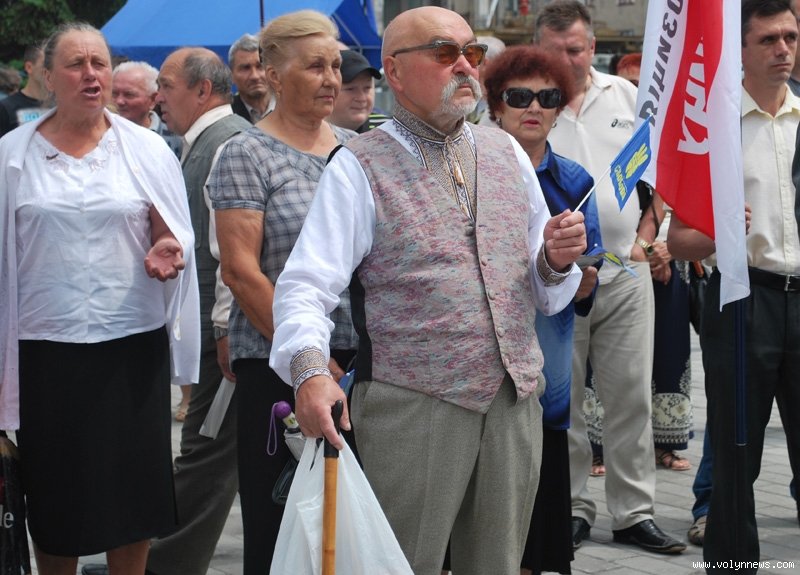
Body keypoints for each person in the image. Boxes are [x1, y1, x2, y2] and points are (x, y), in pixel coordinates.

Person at [269, 7, 587, 575]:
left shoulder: (506, 151)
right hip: (413, 406)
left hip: (513, 402)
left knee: (497, 564)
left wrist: (554, 260)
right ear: (394, 71)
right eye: (444, 53)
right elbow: (306, 284)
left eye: (473, 53)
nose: (465, 66)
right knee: (399, 563)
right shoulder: (359, 164)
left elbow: (542, 287)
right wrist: (310, 372)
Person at [0, 22, 199, 575]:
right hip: (45, 348)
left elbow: (171, 227)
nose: (91, 74)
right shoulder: (11, 155)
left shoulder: (146, 149)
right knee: (55, 489)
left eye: (100, 63)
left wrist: (168, 247)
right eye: (76, 64)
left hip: (130, 346)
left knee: (133, 489)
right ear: (46, 76)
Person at [82, 47, 252, 575]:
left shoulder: (227, 144)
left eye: (167, 86)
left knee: (207, 448)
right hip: (209, 326)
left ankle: (164, 563)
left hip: (224, 330)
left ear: (202, 90)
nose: (159, 98)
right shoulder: (201, 143)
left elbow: (233, 251)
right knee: (208, 448)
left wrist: (223, 325)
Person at [207, 11, 359, 573]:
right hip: (279, 366)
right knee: (285, 530)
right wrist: (309, 360)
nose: (331, 79)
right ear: (272, 75)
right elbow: (241, 272)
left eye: (336, 66)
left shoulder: (356, 149)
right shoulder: (246, 154)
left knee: (352, 532)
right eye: (315, 66)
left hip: (361, 365)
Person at [534, 0, 686, 554]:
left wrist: (649, 235)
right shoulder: (526, 105)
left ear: (592, 47)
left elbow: (662, 173)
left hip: (624, 272)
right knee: (565, 396)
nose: (566, 61)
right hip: (557, 280)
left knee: (631, 397)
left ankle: (635, 512)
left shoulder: (628, 99)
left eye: (575, 50)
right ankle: (573, 507)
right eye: (554, 51)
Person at [668, 1, 800, 570]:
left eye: (790, 36)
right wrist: (718, 230)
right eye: (768, 39)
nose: (783, 49)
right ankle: (732, 563)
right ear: (740, 49)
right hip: (743, 300)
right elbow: (679, 243)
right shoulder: (715, 131)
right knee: (735, 453)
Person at [483, 44, 603, 575]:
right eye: (519, 96)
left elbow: (591, 272)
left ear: (561, 108)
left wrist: (577, 275)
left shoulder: (575, 181)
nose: (533, 106)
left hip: (546, 354)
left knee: (542, 474)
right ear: (495, 104)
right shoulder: (471, 170)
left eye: (548, 97)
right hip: (479, 356)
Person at [111, 61, 182, 158]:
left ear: (153, 100)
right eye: (114, 94)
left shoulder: (175, 140)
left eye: (129, 95)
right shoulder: (100, 135)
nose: (119, 101)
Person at [328, 49, 389, 133]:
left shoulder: (389, 131)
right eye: (351, 89)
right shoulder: (312, 135)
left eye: (367, 88)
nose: (362, 98)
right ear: (327, 91)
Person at [0, 43, 49, 136]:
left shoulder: (62, 105)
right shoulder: (5, 107)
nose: (51, 70)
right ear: (29, 67)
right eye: (46, 64)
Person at [228, 34, 271, 123]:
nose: (255, 76)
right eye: (245, 68)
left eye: (260, 66)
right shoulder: (227, 115)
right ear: (231, 76)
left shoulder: (291, 107)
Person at [466, 35, 505, 125]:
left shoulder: (505, 104)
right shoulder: (469, 93)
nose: (465, 65)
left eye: (470, 59)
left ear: (485, 64)